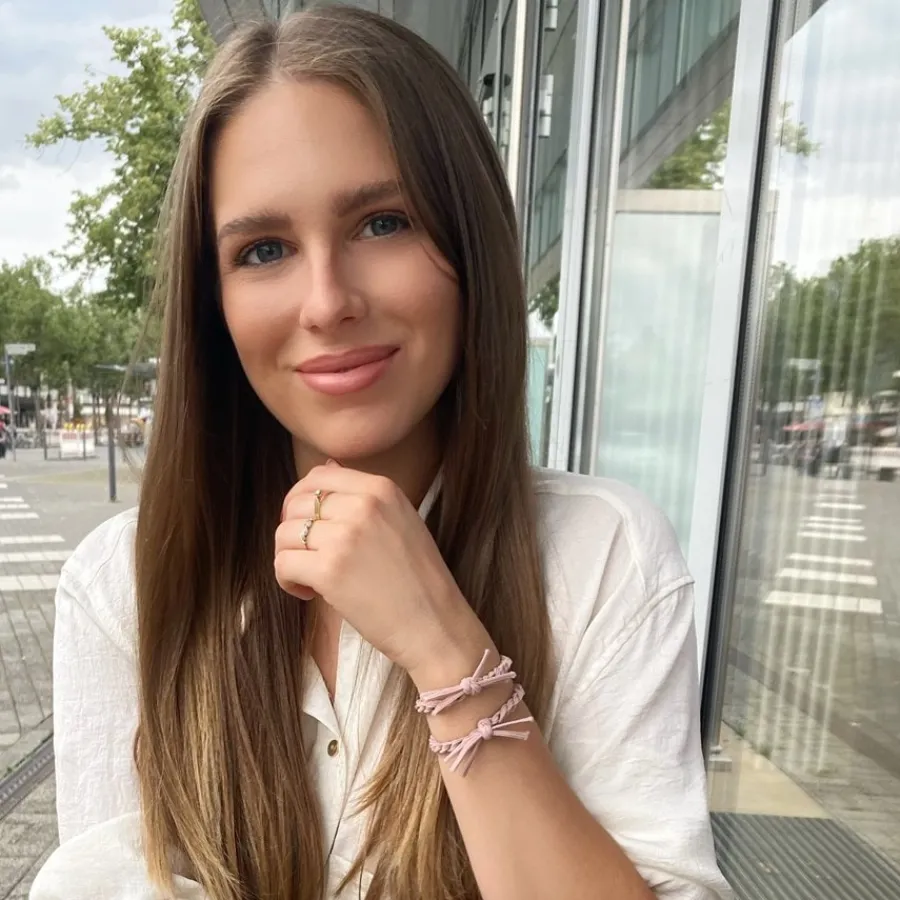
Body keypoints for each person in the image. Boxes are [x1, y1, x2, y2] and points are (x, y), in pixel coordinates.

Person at [31, 8, 732, 900]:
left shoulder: (601, 558)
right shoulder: (126, 587)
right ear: (214, 304)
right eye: (264, 250)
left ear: (470, 244)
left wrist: (449, 655)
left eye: (383, 223)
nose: (327, 302)